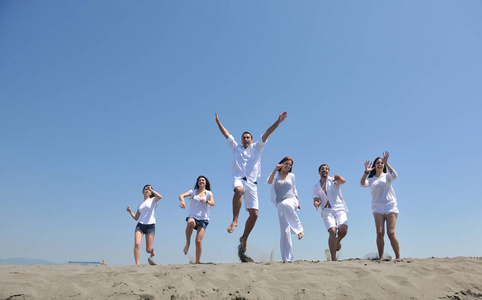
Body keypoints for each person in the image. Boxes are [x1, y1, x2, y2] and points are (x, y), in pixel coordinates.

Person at [215, 111, 287, 257]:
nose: (246, 139)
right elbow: (227, 134)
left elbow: (267, 132)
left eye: (248, 137)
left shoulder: (257, 147)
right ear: (241, 140)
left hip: (253, 184)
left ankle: (244, 238)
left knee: (254, 215)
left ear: (251, 139)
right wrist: (218, 123)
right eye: (244, 138)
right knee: (238, 190)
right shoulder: (236, 148)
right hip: (239, 179)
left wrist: (277, 122)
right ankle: (235, 220)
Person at [360, 151, 400, 260]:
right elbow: (362, 184)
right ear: (374, 165)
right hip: (377, 207)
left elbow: (395, 175)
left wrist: (387, 163)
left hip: (390, 205)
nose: (380, 164)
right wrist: (366, 172)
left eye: (382, 163)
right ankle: (381, 256)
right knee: (380, 232)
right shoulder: (371, 179)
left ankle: (398, 256)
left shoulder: (387, 176)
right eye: (378, 163)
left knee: (391, 233)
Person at [267, 157, 304, 262]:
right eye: (286, 164)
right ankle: (287, 258)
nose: (288, 166)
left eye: (290, 165)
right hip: (280, 203)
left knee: (286, 204)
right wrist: (275, 170)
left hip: (291, 200)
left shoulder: (292, 176)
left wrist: (298, 201)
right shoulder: (276, 175)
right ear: (281, 164)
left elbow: (294, 190)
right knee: (284, 231)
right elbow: (269, 182)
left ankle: (299, 229)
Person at [313, 164, 348, 262]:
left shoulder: (333, 180)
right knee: (332, 231)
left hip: (339, 208)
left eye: (327, 169)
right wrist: (316, 204)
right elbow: (315, 199)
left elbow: (343, 181)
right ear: (319, 172)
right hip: (326, 210)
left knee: (343, 229)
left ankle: (338, 240)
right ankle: (333, 259)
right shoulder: (316, 186)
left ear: (328, 172)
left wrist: (339, 178)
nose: (325, 170)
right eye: (323, 169)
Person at [179, 175, 215, 264]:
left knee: (198, 241)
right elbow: (181, 195)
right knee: (190, 224)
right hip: (193, 216)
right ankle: (187, 243)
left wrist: (206, 201)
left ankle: (197, 262)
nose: (201, 181)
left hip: (203, 219)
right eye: (199, 180)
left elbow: (212, 203)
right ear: (197, 182)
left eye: (203, 180)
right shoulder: (193, 192)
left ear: (205, 183)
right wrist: (182, 201)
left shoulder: (209, 193)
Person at [126, 185, 162, 265]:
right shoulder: (140, 204)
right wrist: (130, 212)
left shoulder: (153, 200)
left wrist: (152, 190)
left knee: (148, 250)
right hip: (140, 225)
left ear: (150, 192)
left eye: (148, 189)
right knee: (137, 243)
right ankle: (137, 264)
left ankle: (152, 251)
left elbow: (160, 196)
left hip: (150, 226)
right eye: (145, 189)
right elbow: (136, 217)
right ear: (142, 192)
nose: (147, 190)